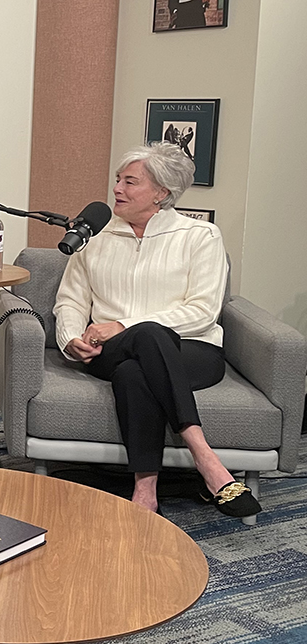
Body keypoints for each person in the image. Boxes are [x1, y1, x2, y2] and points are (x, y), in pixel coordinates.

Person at [52, 143, 260, 518]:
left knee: (139, 361)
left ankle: (145, 489)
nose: (117, 189)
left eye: (130, 182)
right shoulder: (94, 238)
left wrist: (122, 324)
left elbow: (202, 311)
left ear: (162, 193)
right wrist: (71, 339)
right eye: (118, 180)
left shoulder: (200, 236)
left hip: (192, 350)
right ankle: (206, 459)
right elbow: (70, 301)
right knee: (144, 340)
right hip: (107, 351)